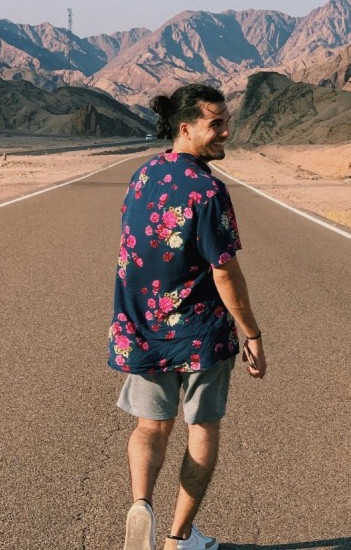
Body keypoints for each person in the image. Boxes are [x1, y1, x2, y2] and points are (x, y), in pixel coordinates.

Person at [108, 84, 266, 550]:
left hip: (142, 328)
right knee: (202, 427)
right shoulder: (208, 189)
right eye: (216, 124)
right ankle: (178, 539)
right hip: (200, 334)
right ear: (186, 128)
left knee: (149, 426)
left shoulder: (142, 176)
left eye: (226, 122)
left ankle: (141, 505)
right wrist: (252, 333)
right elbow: (225, 271)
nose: (226, 131)